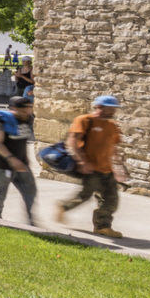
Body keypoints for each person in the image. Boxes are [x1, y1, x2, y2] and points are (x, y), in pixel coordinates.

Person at [56, 95, 126, 237]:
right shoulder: (84, 120)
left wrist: (118, 167)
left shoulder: (112, 126)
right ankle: (64, 206)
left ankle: (102, 226)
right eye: (110, 108)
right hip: (91, 168)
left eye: (114, 109)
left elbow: (114, 148)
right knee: (85, 195)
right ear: (99, 107)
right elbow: (73, 142)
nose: (113, 112)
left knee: (111, 199)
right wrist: (81, 162)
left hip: (107, 169)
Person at [0, 95, 37, 225]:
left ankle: (31, 220)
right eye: (24, 110)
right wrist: (11, 159)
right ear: (14, 108)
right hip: (3, 165)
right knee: (0, 191)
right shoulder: (1, 121)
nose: (28, 112)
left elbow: (23, 141)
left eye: (29, 109)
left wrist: (26, 158)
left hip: (22, 164)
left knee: (30, 190)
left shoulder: (27, 119)